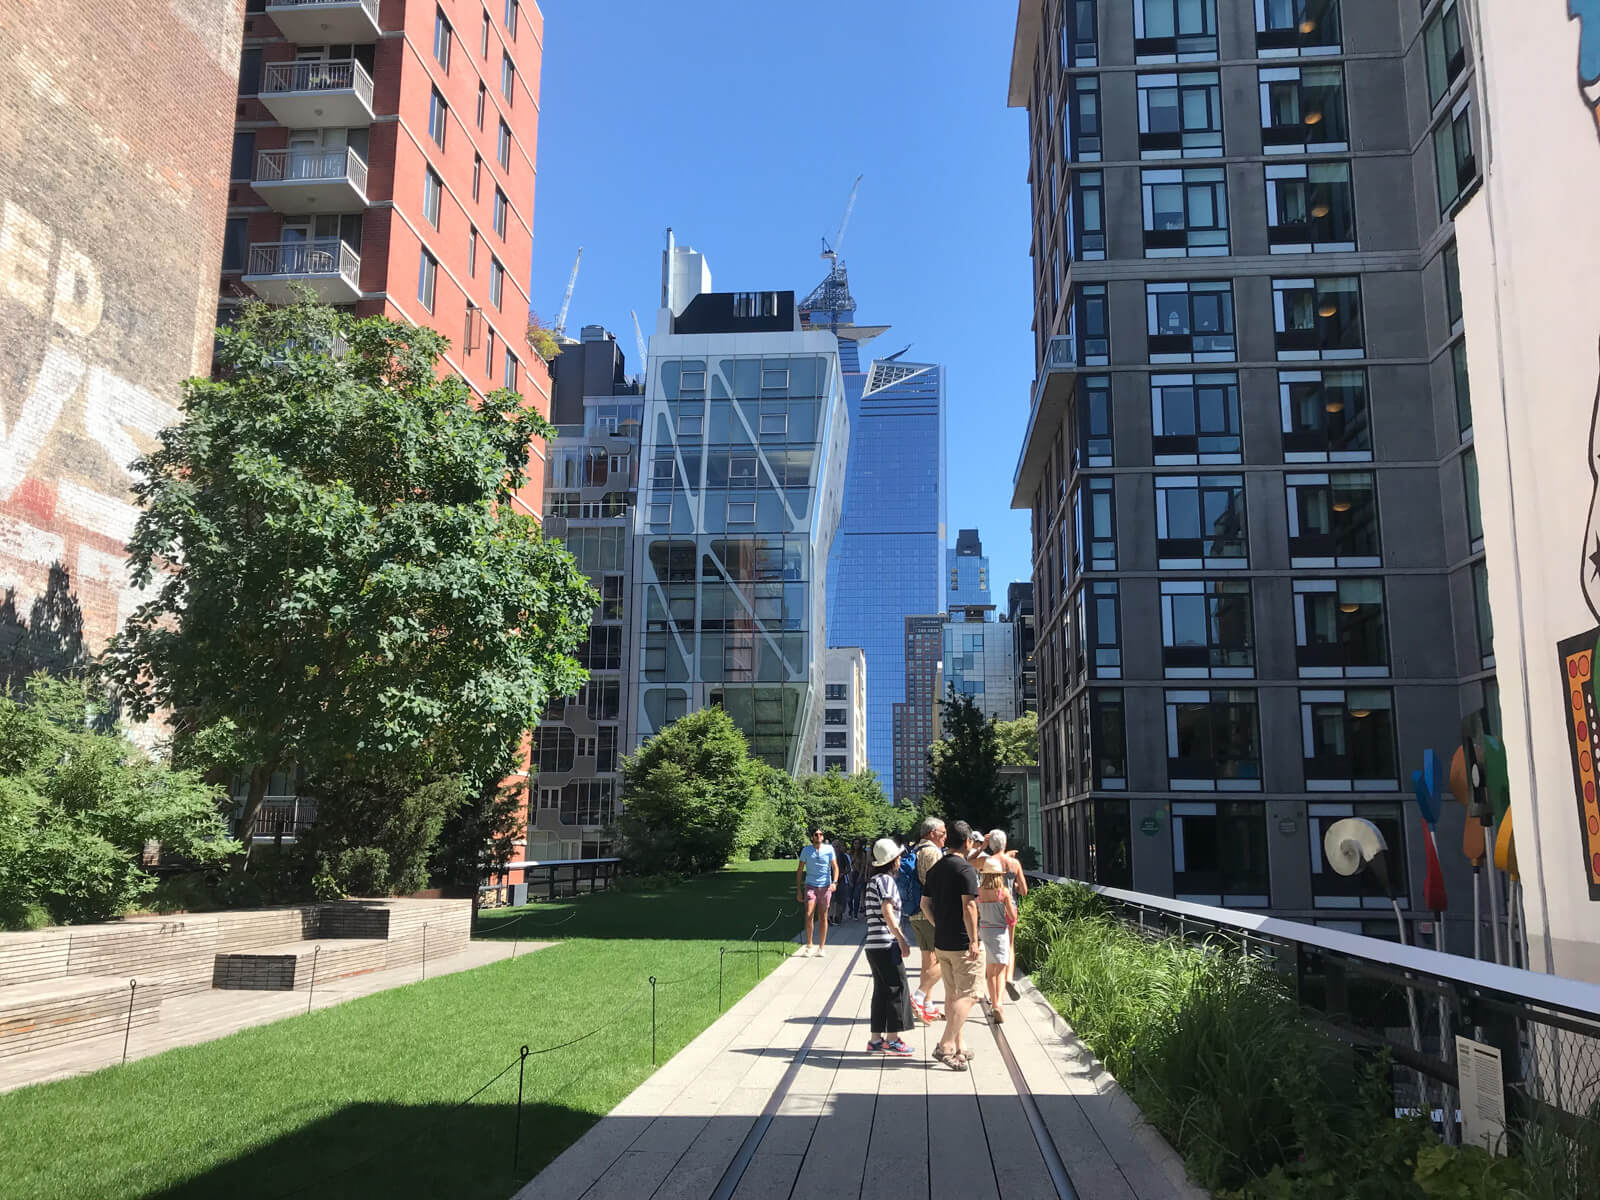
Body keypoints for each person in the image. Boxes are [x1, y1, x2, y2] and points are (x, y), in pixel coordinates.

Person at [921, 819, 984, 1070]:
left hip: (942, 943)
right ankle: (945, 1045)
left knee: (952, 994)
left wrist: (938, 924)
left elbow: (925, 904)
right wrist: (974, 940)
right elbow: (969, 906)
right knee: (971, 994)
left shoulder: (936, 869)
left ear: (949, 840)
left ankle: (960, 1047)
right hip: (961, 944)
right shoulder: (965, 870)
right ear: (968, 842)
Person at [863, 837, 916, 1056]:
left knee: (881, 991)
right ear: (892, 860)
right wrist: (901, 938)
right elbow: (887, 911)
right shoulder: (885, 881)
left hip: (873, 944)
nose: (901, 859)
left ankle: (876, 1040)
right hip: (885, 943)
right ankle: (893, 1039)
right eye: (898, 856)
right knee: (897, 988)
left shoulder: (873, 881)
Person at [904, 817, 947, 1022]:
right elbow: (937, 884)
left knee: (927, 961)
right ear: (931, 833)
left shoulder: (916, 850)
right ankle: (918, 998)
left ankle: (927, 1004)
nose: (945, 837)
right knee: (943, 960)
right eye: (943, 832)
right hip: (929, 911)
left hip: (915, 911)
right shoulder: (932, 852)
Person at [986, 830, 1029, 991]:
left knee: (991, 945)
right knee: (1009, 945)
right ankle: (1009, 978)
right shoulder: (1014, 864)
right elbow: (1024, 890)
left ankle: (994, 978)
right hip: (1010, 907)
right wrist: (1014, 886)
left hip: (990, 907)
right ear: (1005, 844)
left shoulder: (988, 862)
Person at [977, 858, 1017, 1022]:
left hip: (984, 932)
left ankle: (993, 1005)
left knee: (990, 972)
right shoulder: (1003, 892)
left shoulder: (979, 891)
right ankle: (999, 1004)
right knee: (1000, 971)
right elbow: (1012, 916)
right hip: (1000, 932)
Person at [796, 827, 838, 956]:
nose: (819, 836)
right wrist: (798, 889)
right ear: (812, 837)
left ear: (823, 837)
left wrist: (834, 882)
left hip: (825, 887)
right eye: (816, 834)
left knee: (823, 916)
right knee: (809, 914)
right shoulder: (806, 850)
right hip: (810, 886)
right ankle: (809, 945)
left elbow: (835, 867)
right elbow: (800, 869)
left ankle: (821, 947)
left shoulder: (829, 849)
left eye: (821, 834)